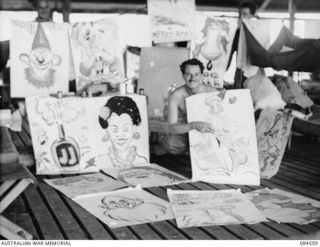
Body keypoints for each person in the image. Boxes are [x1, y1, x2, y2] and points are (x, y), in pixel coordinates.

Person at [161, 58, 218, 155]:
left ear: (201, 75)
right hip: (190, 132)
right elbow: (172, 128)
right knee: (169, 142)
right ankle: (190, 155)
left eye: (196, 74)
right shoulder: (176, 95)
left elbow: (222, 117)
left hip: (210, 132)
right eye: (188, 74)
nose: (192, 78)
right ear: (183, 75)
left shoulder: (211, 91)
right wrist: (194, 125)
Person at [98, 96, 148, 171]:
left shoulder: (142, 161)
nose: (121, 135)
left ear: (134, 128)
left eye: (126, 129)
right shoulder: (100, 161)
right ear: (107, 130)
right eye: (115, 130)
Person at [227, 0, 257, 89]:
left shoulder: (257, 33)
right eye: (239, 14)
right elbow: (229, 53)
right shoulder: (236, 33)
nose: (240, 17)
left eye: (244, 14)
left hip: (254, 73)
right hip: (240, 73)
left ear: (252, 16)